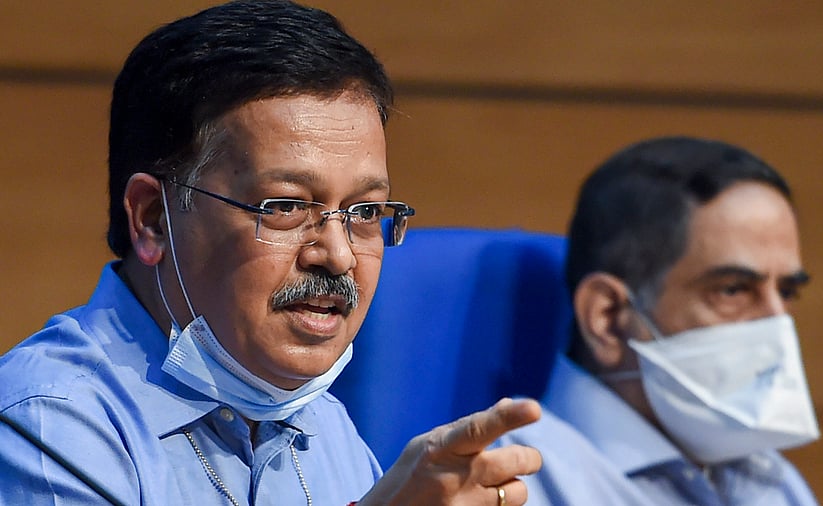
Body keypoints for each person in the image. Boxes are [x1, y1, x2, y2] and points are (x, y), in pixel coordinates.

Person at [0, 2, 541, 505]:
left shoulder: (322, 423)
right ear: (153, 218)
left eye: (364, 213)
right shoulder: (49, 422)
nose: (337, 255)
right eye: (285, 207)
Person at [498, 136, 821, 505]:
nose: (778, 325)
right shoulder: (511, 482)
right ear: (608, 318)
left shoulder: (769, 480)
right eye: (733, 290)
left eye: (787, 292)